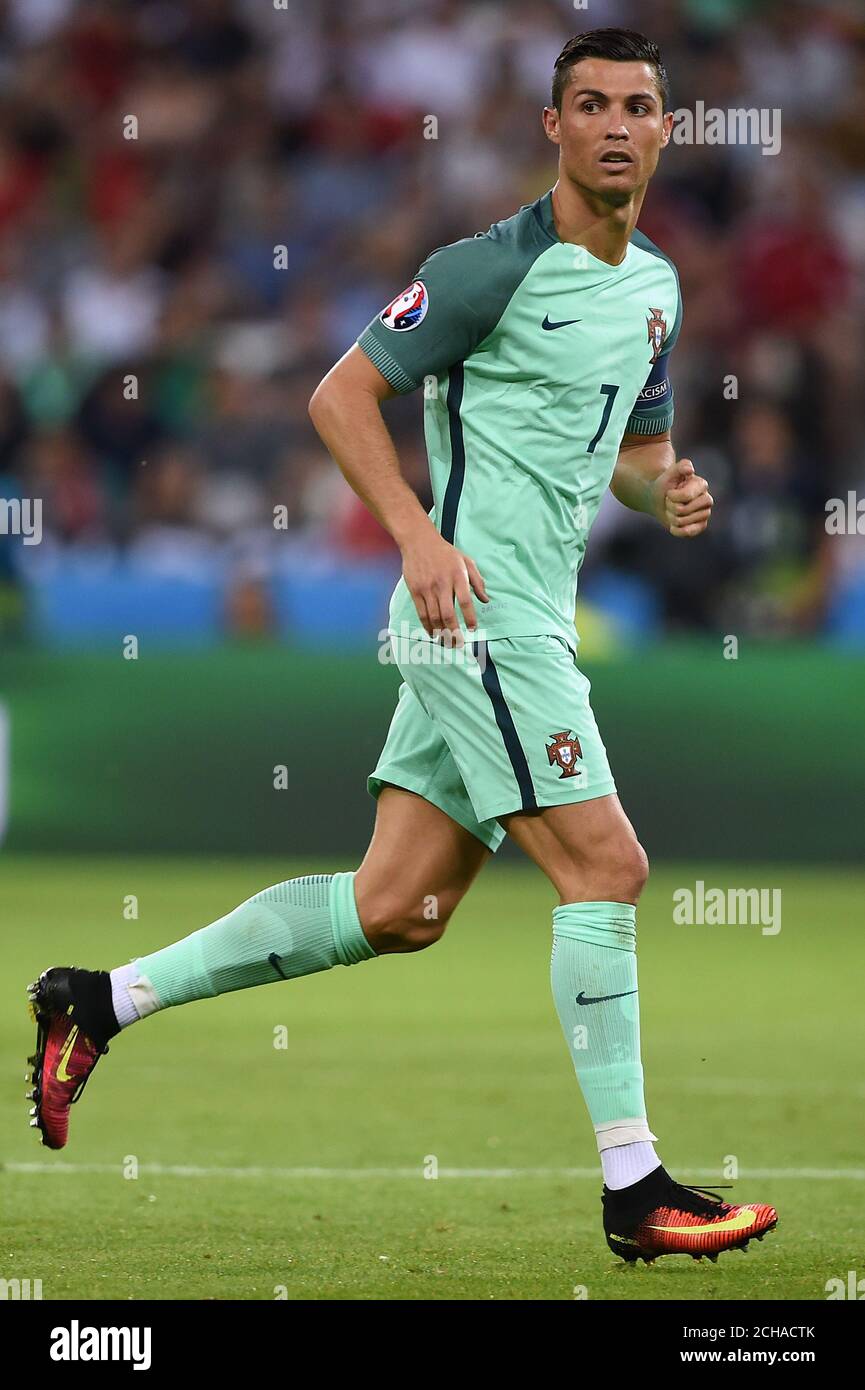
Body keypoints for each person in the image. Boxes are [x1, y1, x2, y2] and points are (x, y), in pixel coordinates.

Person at [27, 28, 776, 1265]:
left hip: (521, 618)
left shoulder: (656, 288)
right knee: (607, 868)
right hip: (469, 616)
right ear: (553, 126)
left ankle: (100, 1000)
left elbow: (634, 457)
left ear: (666, 130)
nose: (613, 125)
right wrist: (418, 542)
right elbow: (338, 394)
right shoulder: (484, 269)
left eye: (637, 106)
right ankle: (634, 1188)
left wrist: (669, 491)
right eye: (588, 104)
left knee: (397, 907)